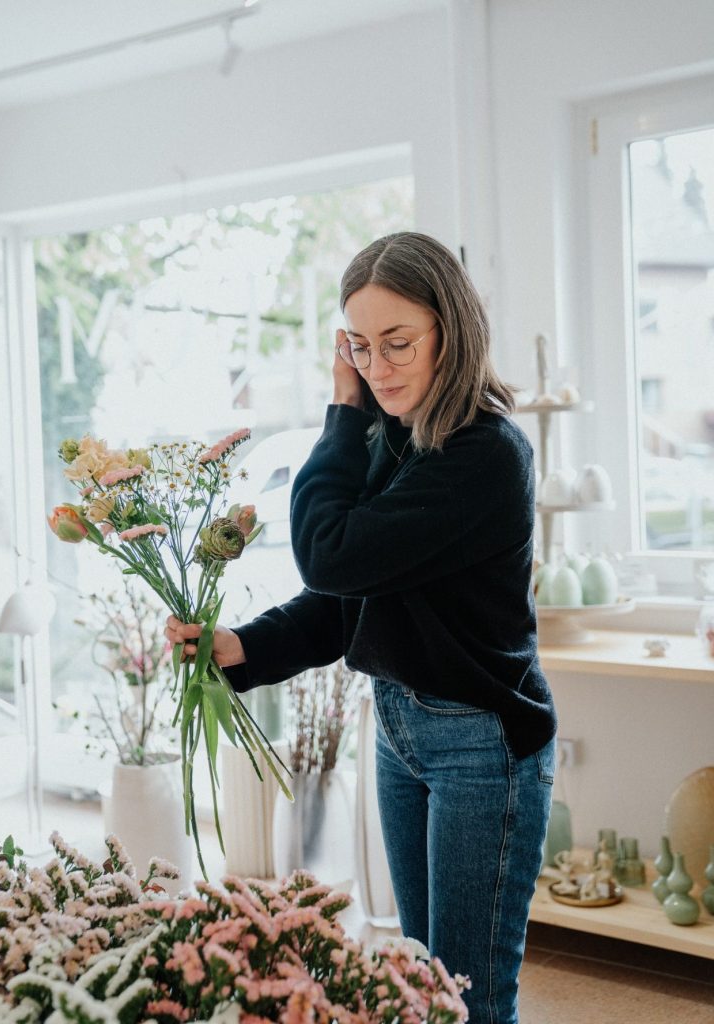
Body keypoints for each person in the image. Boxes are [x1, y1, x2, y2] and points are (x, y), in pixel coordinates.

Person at [166, 231, 557, 1024]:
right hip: (401, 730)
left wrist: (340, 408)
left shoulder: (485, 455)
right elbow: (359, 597)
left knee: (468, 999)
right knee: (421, 984)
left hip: (479, 744)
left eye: (397, 343)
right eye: (359, 347)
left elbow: (327, 555)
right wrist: (249, 647)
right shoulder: (398, 439)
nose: (376, 368)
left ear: (451, 330)